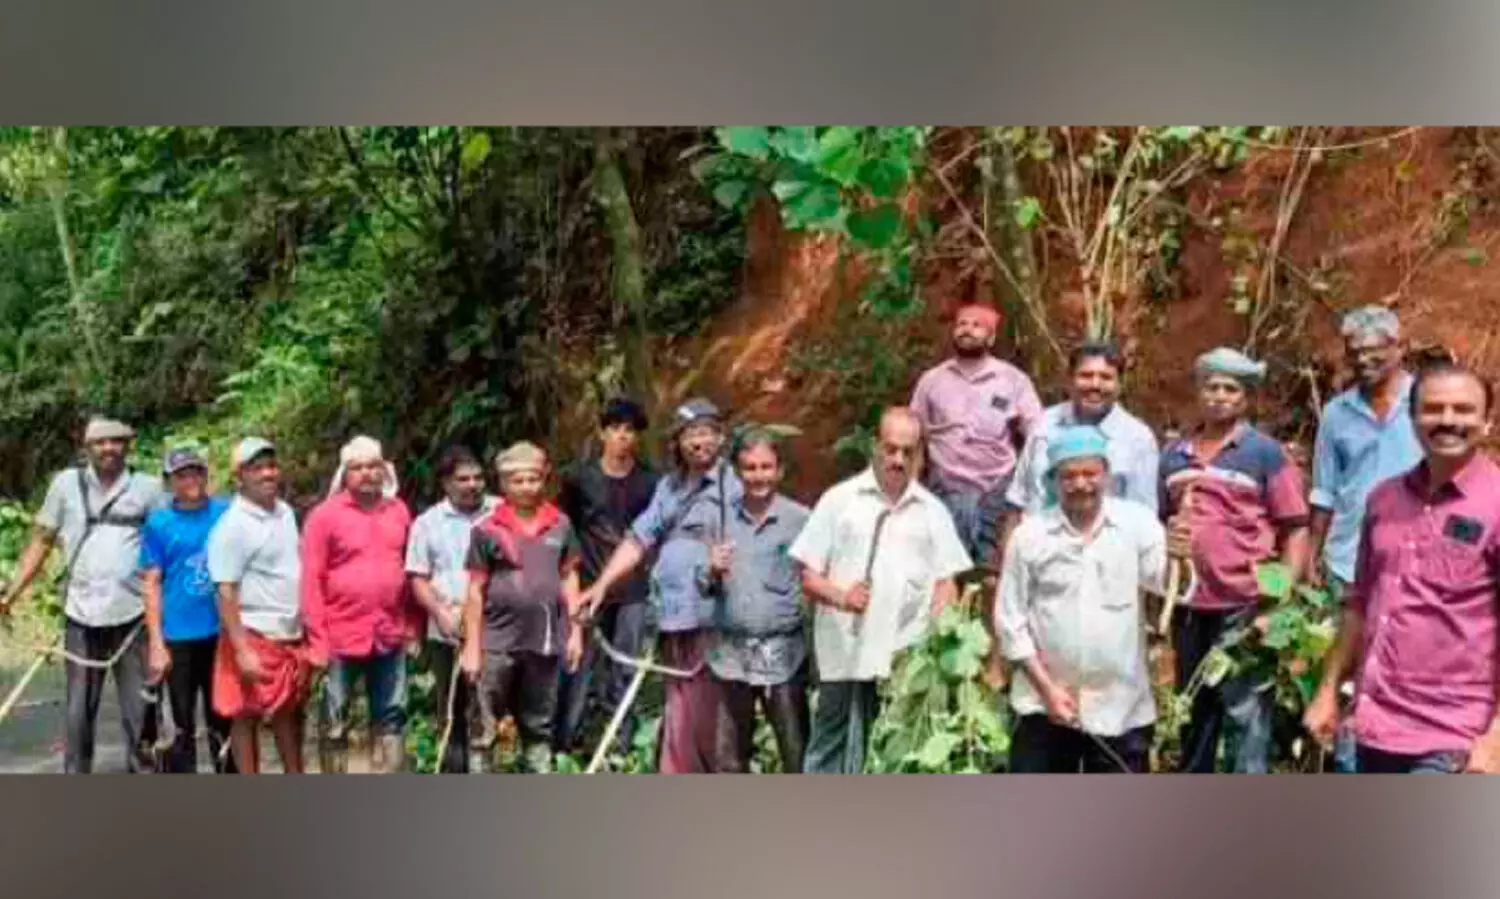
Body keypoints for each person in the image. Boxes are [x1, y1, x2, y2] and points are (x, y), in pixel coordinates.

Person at [1304, 363, 1500, 774]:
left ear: (1487, 421)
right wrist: (1326, 691)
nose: (1448, 420)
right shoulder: (1384, 499)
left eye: (1463, 410)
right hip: (1369, 726)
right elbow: (1360, 603)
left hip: (1454, 737)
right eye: (1433, 409)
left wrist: (1495, 739)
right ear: (1412, 420)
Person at [789, 407, 972, 774]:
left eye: (908, 451)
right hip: (844, 650)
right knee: (831, 745)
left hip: (904, 656)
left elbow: (946, 581)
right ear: (875, 446)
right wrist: (843, 597)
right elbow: (807, 574)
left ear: (920, 453)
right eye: (891, 449)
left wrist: (941, 637)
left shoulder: (932, 511)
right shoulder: (840, 500)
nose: (898, 459)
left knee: (891, 747)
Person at [1160, 347, 1311, 774]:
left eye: (1231, 388)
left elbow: (1295, 527)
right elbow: (1159, 523)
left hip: (1245, 602)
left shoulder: (1264, 454)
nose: (1220, 396)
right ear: (1198, 392)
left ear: (1246, 399)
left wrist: (1277, 602)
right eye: (1212, 387)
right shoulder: (1174, 455)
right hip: (1189, 604)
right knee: (1194, 705)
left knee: (1246, 712)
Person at [580, 398, 742, 773]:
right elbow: (639, 539)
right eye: (691, 434)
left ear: (720, 438)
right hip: (671, 617)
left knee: (705, 718)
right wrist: (601, 585)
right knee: (679, 708)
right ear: (678, 441)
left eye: (707, 432)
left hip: (711, 620)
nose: (700, 441)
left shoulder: (732, 486)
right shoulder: (669, 487)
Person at [997, 426, 1166, 773]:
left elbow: (1168, 585)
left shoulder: (1137, 525)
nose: (1080, 484)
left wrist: (1182, 555)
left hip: (1121, 708)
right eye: (1068, 475)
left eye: (1090, 473)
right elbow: (1010, 620)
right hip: (1041, 706)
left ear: (1107, 475)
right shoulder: (1030, 536)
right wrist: (1047, 691)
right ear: (1053, 481)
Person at [1, 416, 163, 774]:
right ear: (86, 448)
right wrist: (10, 594)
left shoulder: (149, 489)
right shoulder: (64, 485)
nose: (108, 448)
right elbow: (42, 541)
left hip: (134, 618)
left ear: (128, 445)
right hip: (81, 616)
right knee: (77, 718)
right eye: (99, 442)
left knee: (141, 718)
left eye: (116, 441)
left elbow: (168, 547)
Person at [1305, 306, 1422, 773]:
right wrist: (1313, 553)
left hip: (1412, 562)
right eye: (1356, 354)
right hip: (1345, 559)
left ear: (1401, 348)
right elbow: (1324, 488)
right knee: (1346, 669)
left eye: (1376, 353)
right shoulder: (1337, 413)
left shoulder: (1427, 403)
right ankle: (1351, 766)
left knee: (1400, 666)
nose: (1365, 362)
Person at [458, 442, 585, 773]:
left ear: (545, 479)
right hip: (495, 643)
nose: (527, 487)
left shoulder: (561, 524)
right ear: (503, 484)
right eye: (518, 480)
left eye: (533, 479)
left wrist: (575, 633)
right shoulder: (486, 530)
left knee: (538, 725)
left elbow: (570, 576)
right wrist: (472, 648)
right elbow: (475, 590)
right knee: (483, 724)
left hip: (544, 641)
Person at [301, 436, 414, 774]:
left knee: (392, 714)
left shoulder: (399, 511)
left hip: (388, 632)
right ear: (345, 473)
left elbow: (409, 571)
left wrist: (411, 628)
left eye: (373, 466)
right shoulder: (324, 516)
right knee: (335, 715)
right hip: (339, 634)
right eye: (357, 467)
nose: (366, 473)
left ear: (384, 469)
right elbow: (311, 580)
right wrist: (317, 639)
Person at [553, 397, 658, 756]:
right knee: (578, 665)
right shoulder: (580, 479)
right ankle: (567, 743)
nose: (622, 437)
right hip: (587, 589)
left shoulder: (650, 482)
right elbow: (564, 530)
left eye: (630, 430)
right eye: (615, 429)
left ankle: (620, 747)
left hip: (633, 592)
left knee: (625, 668)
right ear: (602, 433)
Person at [707, 427, 811, 773]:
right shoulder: (719, 518)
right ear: (738, 473)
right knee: (729, 755)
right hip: (731, 655)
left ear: (780, 470)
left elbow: (816, 580)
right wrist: (709, 569)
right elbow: (702, 584)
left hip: (784, 653)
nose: (759, 476)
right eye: (749, 468)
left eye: (766, 467)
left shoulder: (800, 520)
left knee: (796, 748)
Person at [909, 303, 1043, 570]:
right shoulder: (932, 381)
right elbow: (913, 437)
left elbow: (1037, 436)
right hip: (945, 488)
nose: (967, 330)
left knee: (993, 569)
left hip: (997, 490)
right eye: (961, 324)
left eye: (976, 325)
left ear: (991, 337)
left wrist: (1030, 492)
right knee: (944, 567)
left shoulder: (1013, 381)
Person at [207, 438, 311, 774]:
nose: (268, 474)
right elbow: (225, 590)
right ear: (240, 476)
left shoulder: (284, 512)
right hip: (253, 633)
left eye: (271, 466)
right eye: (257, 468)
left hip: (288, 633)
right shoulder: (232, 526)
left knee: (286, 712)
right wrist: (241, 650)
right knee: (246, 713)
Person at [139, 445, 235, 774]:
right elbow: (151, 582)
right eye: (181, 474)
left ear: (206, 476)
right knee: (180, 725)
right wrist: (155, 643)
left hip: (220, 634)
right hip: (177, 636)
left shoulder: (227, 513)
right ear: (169, 482)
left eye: (196, 471)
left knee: (224, 717)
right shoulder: (159, 523)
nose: (190, 479)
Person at [406, 445, 498, 773]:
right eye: (463, 479)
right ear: (445, 483)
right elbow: (417, 577)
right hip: (446, 629)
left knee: (489, 706)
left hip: (495, 626)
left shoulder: (501, 512)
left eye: (477, 477)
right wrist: (440, 613)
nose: (472, 484)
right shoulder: (427, 523)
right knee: (451, 707)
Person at [1002, 340, 1159, 521]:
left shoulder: (1137, 439)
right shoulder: (1045, 423)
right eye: (1086, 375)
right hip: (1036, 544)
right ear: (1069, 379)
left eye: (1106, 377)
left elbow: (1143, 517)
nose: (1095, 385)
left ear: (1119, 384)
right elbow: (1017, 500)